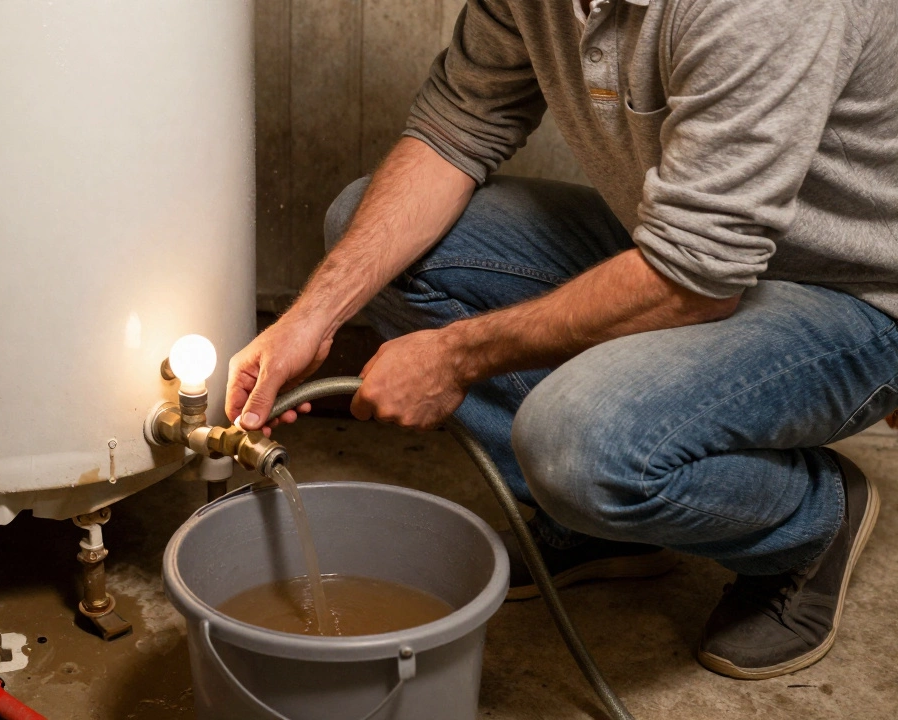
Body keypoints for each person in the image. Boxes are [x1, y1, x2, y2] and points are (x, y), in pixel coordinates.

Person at [225, 0, 898, 680]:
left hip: (849, 297)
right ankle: (597, 523)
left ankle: (812, 523)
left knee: (578, 443)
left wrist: (453, 357)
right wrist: (312, 317)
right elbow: (456, 127)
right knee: (367, 239)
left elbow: (697, 278)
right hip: (690, 241)